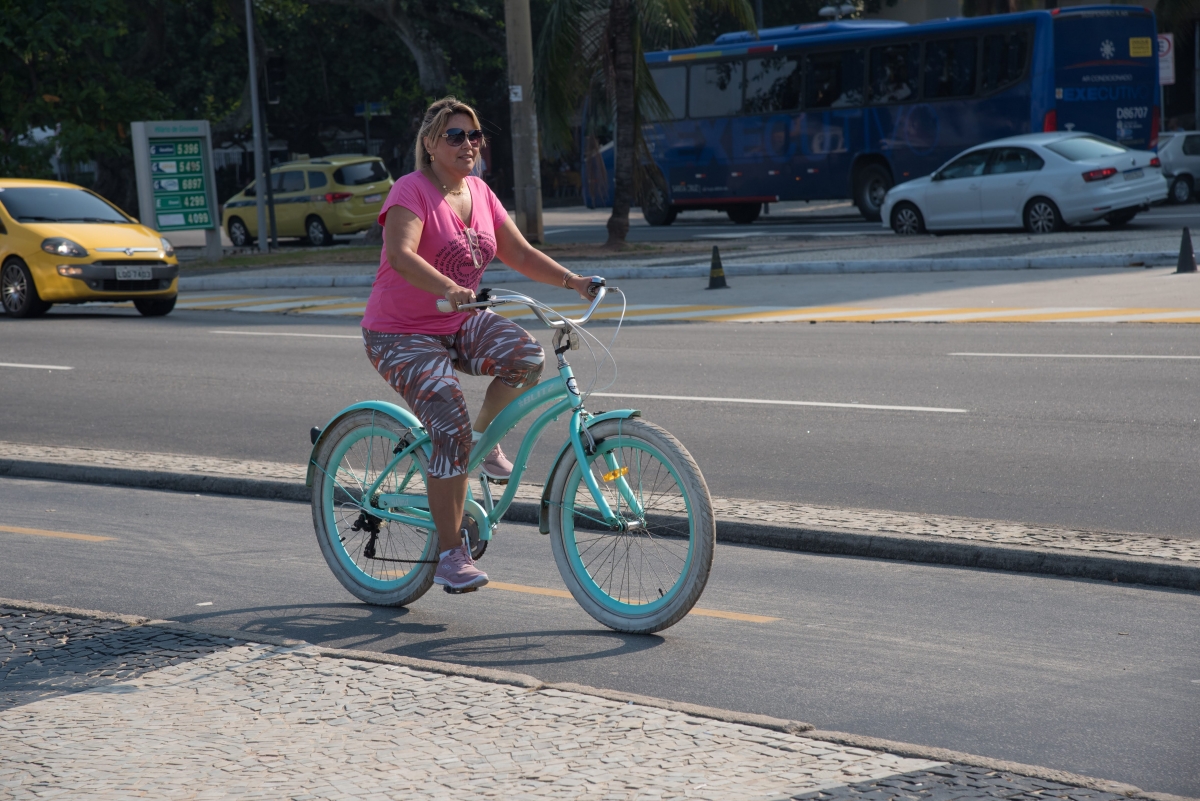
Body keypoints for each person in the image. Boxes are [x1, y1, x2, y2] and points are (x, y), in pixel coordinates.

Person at [361, 97, 597, 593]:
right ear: (429, 144)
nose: (468, 144)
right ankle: (450, 554)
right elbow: (401, 257)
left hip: (457, 321)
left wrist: (572, 281)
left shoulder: (481, 193)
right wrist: (447, 287)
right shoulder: (411, 190)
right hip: (399, 331)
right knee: (445, 413)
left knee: (527, 356)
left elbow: (520, 254)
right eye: (454, 135)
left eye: (474, 136)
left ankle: (480, 441)